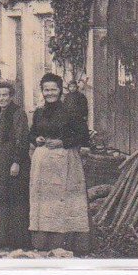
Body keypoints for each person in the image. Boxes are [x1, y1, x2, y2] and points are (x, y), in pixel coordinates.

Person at [29, 72, 91, 255]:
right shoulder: (39, 112)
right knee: (45, 202)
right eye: (46, 90)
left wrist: (62, 142)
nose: (49, 93)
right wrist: (36, 138)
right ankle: (44, 241)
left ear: (60, 90)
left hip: (65, 162)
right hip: (43, 165)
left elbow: (83, 135)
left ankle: (67, 241)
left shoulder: (70, 111)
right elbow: (31, 133)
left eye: (53, 89)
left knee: (63, 201)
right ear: (42, 91)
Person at [0, 79, 31, 249]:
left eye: (5, 95)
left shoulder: (18, 113)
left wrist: (16, 162)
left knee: (10, 196)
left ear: (11, 96)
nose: (1, 98)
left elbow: (21, 139)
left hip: (10, 160)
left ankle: (11, 238)